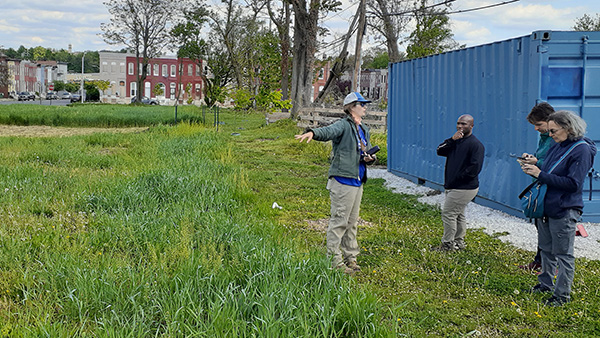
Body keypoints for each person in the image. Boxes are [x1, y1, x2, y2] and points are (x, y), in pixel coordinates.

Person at [295, 92, 376, 274]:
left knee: (352, 222)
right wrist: (313, 133)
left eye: (365, 104)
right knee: (339, 221)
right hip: (343, 180)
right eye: (361, 104)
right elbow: (328, 131)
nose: (365, 107)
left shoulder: (364, 129)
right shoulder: (343, 125)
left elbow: (366, 151)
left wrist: (371, 158)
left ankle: (350, 258)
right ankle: (334, 261)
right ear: (351, 107)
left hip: (357, 180)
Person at [521, 110, 596, 306]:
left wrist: (540, 174)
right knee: (546, 249)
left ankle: (561, 295)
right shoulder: (558, 144)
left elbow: (573, 183)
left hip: (564, 207)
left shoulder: (582, 150)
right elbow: (550, 165)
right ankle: (544, 284)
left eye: (553, 131)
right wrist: (535, 163)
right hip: (547, 204)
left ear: (568, 128)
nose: (550, 134)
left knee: (563, 254)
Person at [431, 114, 485, 252]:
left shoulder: (476, 145)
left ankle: (447, 245)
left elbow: (474, 169)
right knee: (459, 215)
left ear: (471, 126)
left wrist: (456, 179)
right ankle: (459, 243)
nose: (460, 126)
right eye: (459, 123)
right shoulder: (456, 141)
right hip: (453, 186)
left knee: (448, 214)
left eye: (464, 124)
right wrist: (451, 140)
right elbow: (439, 150)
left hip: (464, 187)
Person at [518, 102, 556, 271]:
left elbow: (557, 164)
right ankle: (539, 261)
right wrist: (532, 159)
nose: (536, 129)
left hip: (550, 188)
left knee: (549, 230)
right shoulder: (544, 137)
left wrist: (537, 163)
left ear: (550, 121)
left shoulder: (557, 139)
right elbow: (543, 158)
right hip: (540, 186)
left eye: (538, 125)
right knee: (541, 227)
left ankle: (550, 266)